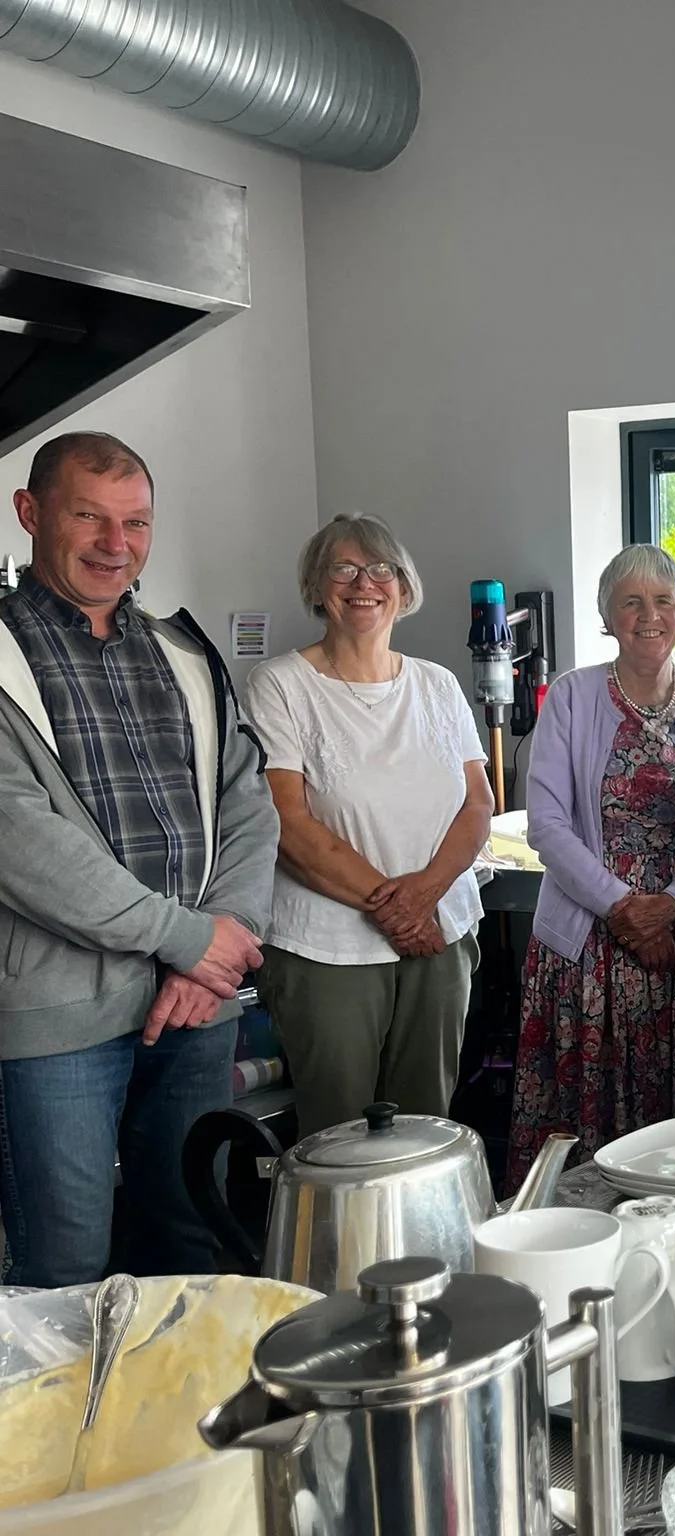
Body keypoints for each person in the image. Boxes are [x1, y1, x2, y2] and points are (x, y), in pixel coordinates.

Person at [0, 431, 278, 1285]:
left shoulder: (186, 657)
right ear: (30, 514)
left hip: (195, 1011)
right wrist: (187, 940)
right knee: (68, 1268)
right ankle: (72, 1425)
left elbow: (248, 804)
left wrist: (216, 949)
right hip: (58, 1023)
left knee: (192, 1247)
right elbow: (22, 841)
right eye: (89, 516)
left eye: (137, 522)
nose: (115, 544)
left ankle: (176, 1422)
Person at [241, 515, 492, 1139]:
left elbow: (478, 804)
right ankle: (341, 1243)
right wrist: (398, 911)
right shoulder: (279, 684)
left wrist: (424, 898)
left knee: (427, 1124)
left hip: (440, 935)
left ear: (403, 588)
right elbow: (288, 822)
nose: (364, 584)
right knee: (340, 1131)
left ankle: (423, 1241)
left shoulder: (436, 683)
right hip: (327, 948)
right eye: (344, 569)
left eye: (381, 569)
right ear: (317, 586)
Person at [507, 544, 675, 1185]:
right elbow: (546, 825)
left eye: (662, 601)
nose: (647, 615)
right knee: (581, 1126)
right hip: (587, 946)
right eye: (631, 602)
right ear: (607, 616)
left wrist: (674, 905)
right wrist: (624, 908)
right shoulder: (571, 697)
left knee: (674, 1126)